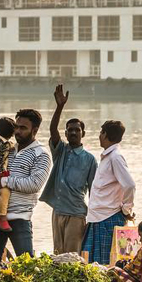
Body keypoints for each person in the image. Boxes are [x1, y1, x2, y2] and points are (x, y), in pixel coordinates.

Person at [0, 109, 51, 265]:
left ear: (35, 130)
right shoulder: (7, 149)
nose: (17, 131)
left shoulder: (41, 154)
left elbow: (34, 184)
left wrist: (4, 181)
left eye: (23, 128)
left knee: (26, 267)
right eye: (16, 127)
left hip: (20, 217)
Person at [40, 84, 97, 254]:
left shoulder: (89, 159)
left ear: (83, 134)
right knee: (58, 254)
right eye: (70, 130)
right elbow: (52, 130)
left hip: (77, 214)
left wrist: (94, 218)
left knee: (72, 256)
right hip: (58, 211)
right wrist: (59, 107)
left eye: (77, 130)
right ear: (65, 134)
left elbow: (93, 190)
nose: (73, 133)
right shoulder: (61, 151)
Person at [82, 120, 135, 265]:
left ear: (105, 135)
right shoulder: (108, 156)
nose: (99, 136)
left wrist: (126, 209)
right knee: (92, 262)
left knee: (109, 263)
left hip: (108, 217)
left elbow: (129, 185)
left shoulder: (115, 157)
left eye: (101, 132)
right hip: (97, 217)